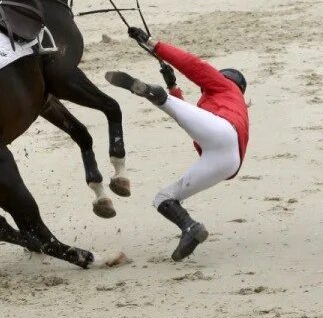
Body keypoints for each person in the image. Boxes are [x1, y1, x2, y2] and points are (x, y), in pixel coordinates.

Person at [105, 26, 249, 261]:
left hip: (221, 134)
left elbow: (194, 66)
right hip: (227, 161)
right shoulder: (229, 105)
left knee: (175, 108)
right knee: (163, 198)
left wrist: (153, 44)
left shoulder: (225, 86)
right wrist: (173, 86)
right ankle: (190, 228)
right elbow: (194, 123)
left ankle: (158, 95)